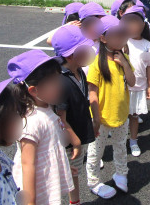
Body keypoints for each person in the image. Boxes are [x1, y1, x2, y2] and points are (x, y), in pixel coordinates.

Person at [9, 50, 75, 205]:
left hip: (46, 179)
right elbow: (27, 164)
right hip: (35, 188)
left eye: (59, 79)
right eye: (54, 82)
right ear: (33, 90)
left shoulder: (47, 107)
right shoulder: (31, 122)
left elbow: (52, 146)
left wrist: (62, 167)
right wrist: (29, 202)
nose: (60, 85)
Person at [86, 15, 135, 199]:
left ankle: (121, 173)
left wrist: (124, 64)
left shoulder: (124, 58)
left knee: (121, 146)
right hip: (102, 117)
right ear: (103, 38)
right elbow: (92, 93)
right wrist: (96, 118)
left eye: (123, 34)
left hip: (121, 115)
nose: (121, 38)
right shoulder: (96, 63)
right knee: (95, 152)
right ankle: (93, 181)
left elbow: (132, 82)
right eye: (117, 35)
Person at [52, 25, 96, 205]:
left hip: (78, 132)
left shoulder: (79, 72)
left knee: (74, 173)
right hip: (68, 140)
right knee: (63, 175)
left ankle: (74, 202)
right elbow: (61, 118)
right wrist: (76, 141)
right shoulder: (61, 81)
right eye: (84, 50)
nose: (89, 52)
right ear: (71, 55)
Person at [122, 5, 150, 156]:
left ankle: (133, 141)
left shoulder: (147, 44)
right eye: (129, 22)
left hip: (139, 88)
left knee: (134, 116)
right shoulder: (122, 42)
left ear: (143, 25)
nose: (133, 26)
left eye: (136, 22)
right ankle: (121, 140)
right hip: (122, 88)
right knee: (122, 117)